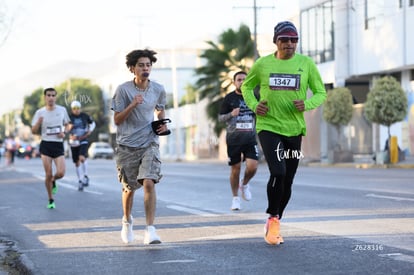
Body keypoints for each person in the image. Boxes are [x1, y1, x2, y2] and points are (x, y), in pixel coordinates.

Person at [241, 21, 327, 245]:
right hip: (268, 126)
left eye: (293, 40)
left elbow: (320, 92)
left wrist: (307, 104)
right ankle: (272, 216)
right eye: (284, 40)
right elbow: (246, 87)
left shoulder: (306, 64)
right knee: (277, 171)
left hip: (294, 129)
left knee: (288, 179)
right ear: (276, 42)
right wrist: (253, 104)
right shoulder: (262, 64)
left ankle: (276, 220)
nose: (289, 44)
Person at [111, 49, 168, 245]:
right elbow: (117, 120)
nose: (145, 68)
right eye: (141, 65)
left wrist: (162, 122)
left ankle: (150, 230)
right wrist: (132, 105)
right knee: (129, 188)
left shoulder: (158, 89)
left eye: (148, 65)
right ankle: (127, 221)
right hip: (127, 145)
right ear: (132, 69)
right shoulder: (123, 90)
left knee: (149, 182)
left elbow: (160, 110)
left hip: (149, 142)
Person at [219, 71, 259, 211]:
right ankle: (235, 198)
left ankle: (245, 183)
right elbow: (220, 118)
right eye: (239, 79)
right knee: (235, 169)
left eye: (244, 80)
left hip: (250, 138)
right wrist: (231, 114)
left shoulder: (254, 97)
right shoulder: (229, 98)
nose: (242, 82)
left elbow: (260, 114)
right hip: (234, 139)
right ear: (234, 82)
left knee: (253, 166)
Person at [31, 88, 71, 209]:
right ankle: (50, 199)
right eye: (48, 95)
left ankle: (53, 180)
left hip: (58, 144)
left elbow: (68, 125)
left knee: (61, 172)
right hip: (46, 144)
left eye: (53, 95)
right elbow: (33, 131)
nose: (51, 97)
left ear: (56, 97)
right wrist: (38, 123)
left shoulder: (62, 110)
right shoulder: (40, 112)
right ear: (45, 97)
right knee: (48, 174)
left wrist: (64, 132)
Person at [68, 100, 96, 191]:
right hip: (74, 141)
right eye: (74, 109)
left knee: (82, 158)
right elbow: (64, 128)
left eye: (78, 108)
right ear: (72, 109)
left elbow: (93, 123)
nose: (76, 110)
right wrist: (69, 130)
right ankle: (80, 181)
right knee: (77, 162)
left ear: (80, 108)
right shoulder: (69, 117)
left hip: (83, 139)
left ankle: (86, 176)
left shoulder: (84, 116)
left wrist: (90, 131)